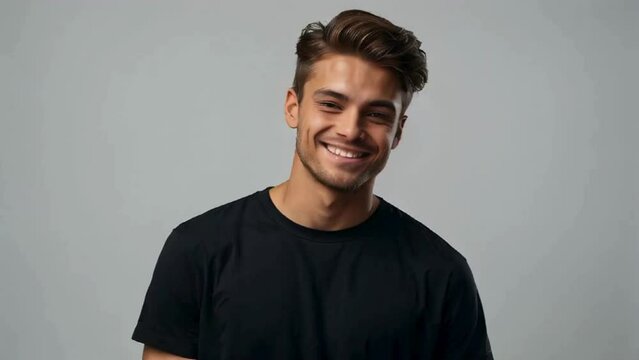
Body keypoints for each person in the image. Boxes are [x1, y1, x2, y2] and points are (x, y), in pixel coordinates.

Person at [132, 9, 493, 360]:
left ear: (398, 130)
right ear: (294, 107)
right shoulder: (198, 250)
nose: (350, 130)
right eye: (331, 104)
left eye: (377, 114)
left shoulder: (441, 275)